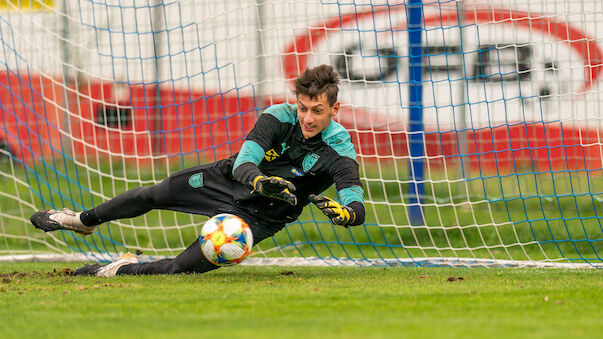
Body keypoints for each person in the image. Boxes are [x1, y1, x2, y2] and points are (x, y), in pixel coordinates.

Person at [29, 64, 365, 277]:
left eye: (317, 111)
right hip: (225, 181)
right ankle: (81, 221)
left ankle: (119, 269)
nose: (307, 118)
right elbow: (244, 161)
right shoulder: (278, 116)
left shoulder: (339, 150)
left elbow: (355, 200)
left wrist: (346, 214)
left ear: (334, 109)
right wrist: (260, 181)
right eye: (303, 108)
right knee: (153, 194)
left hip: (260, 218)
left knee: (180, 269)